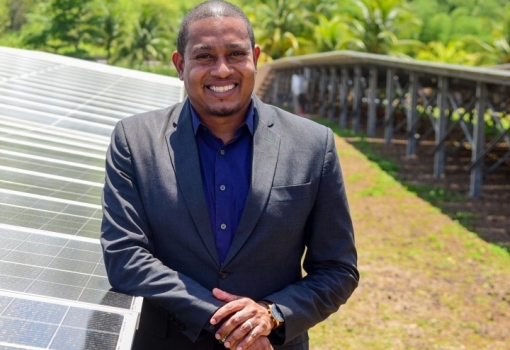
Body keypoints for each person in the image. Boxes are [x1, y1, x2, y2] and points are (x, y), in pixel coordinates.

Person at [100, 1, 359, 349]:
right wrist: (234, 326)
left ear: (255, 57)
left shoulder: (312, 144)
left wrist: (273, 315)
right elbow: (125, 258)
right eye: (204, 57)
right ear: (180, 65)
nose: (222, 70)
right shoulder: (135, 140)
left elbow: (337, 269)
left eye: (235, 54)